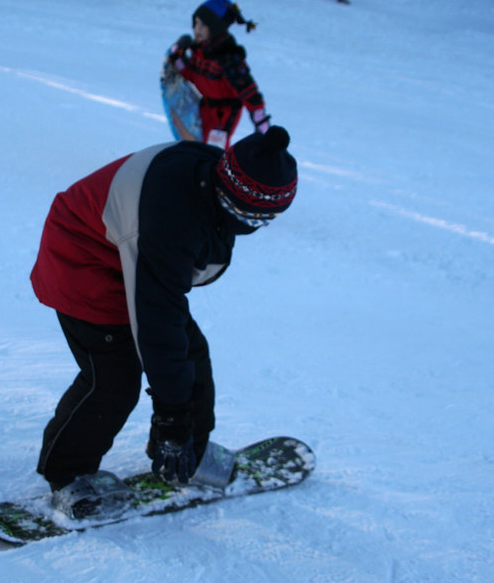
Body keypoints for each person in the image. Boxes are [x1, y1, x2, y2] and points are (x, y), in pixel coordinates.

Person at [30, 127, 298, 518]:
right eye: (246, 216)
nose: (251, 226)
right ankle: (67, 474)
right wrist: (170, 415)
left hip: (134, 258)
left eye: (264, 219)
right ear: (226, 191)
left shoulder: (215, 179)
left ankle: (190, 451)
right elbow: (156, 319)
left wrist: (180, 429)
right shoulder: (170, 216)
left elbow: (163, 307)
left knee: (190, 353)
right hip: (81, 259)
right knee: (113, 379)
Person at [168, 0, 271, 149]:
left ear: (215, 28)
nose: (197, 29)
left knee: (213, 151)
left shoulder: (228, 58)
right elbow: (193, 76)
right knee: (196, 146)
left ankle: (216, 169)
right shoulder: (200, 51)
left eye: (203, 26)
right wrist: (178, 61)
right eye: (196, 23)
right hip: (204, 107)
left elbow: (248, 91)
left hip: (223, 115)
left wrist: (260, 121)